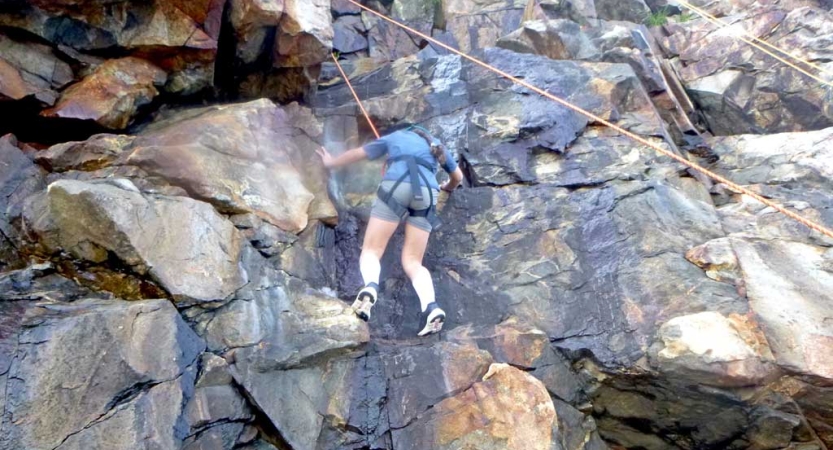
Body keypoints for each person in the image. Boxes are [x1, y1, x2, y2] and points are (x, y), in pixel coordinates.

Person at [317, 125, 464, 336]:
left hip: (397, 186)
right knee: (413, 261)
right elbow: (457, 178)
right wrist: (447, 188)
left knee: (372, 250)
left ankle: (370, 288)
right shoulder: (435, 144)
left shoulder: (395, 137)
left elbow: (358, 154)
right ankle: (432, 307)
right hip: (427, 193)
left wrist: (331, 162)